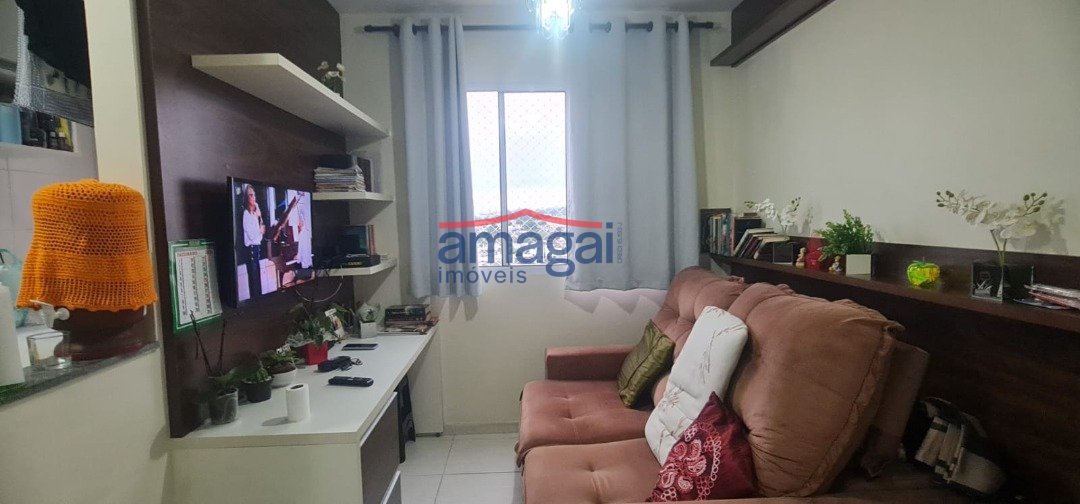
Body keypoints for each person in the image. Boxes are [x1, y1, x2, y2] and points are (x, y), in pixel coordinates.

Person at [241, 183, 265, 300]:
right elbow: (251, 236)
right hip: (250, 251)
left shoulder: (254, 215)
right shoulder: (246, 215)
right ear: (246, 198)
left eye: (254, 195)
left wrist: (259, 217)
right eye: (251, 195)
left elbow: (260, 238)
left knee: (258, 281)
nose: (254, 197)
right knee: (254, 281)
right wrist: (259, 230)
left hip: (256, 250)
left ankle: (260, 303)